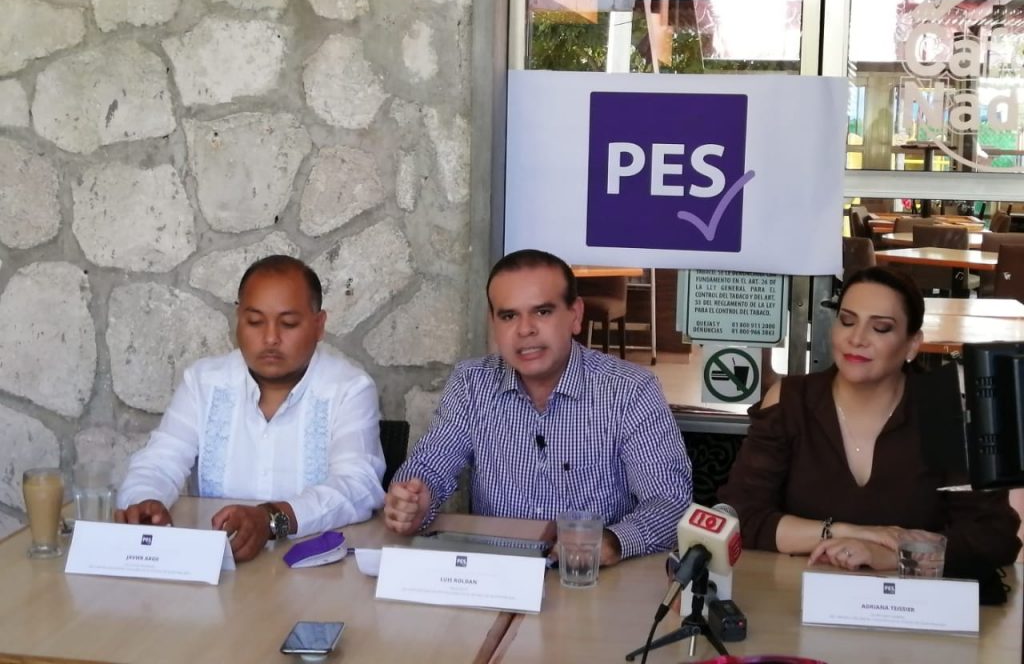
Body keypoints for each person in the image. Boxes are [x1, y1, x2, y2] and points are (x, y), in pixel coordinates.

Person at [383, 249, 692, 565]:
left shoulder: (630, 390)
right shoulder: (471, 383)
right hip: (498, 573)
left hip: (593, 580)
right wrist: (414, 498)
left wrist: (612, 542)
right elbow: (431, 462)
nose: (525, 329)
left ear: (575, 315)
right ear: (493, 323)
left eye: (542, 312)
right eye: (509, 316)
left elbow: (670, 503)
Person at [719, 266, 1021, 574]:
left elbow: (992, 536)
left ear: (912, 344)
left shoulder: (941, 410)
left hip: (913, 599)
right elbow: (740, 516)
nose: (857, 338)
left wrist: (896, 557)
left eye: (881, 328)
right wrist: (851, 533)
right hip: (794, 593)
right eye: (847, 321)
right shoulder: (791, 401)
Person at [116, 255, 386, 562]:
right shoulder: (204, 382)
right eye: (255, 322)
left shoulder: (349, 388)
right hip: (218, 565)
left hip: (315, 570)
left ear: (318, 325)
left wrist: (271, 519)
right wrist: (145, 500)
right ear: (238, 320)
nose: (270, 338)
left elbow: (357, 487)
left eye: (288, 324)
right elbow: (159, 462)